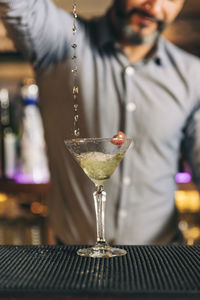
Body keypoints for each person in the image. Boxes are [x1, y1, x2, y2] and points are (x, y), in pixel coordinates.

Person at [0, 0, 200, 245]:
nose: (154, 6)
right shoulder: (63, 40)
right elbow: (18, 6)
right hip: (73, 259)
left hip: (161, 260)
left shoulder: (192, 75)